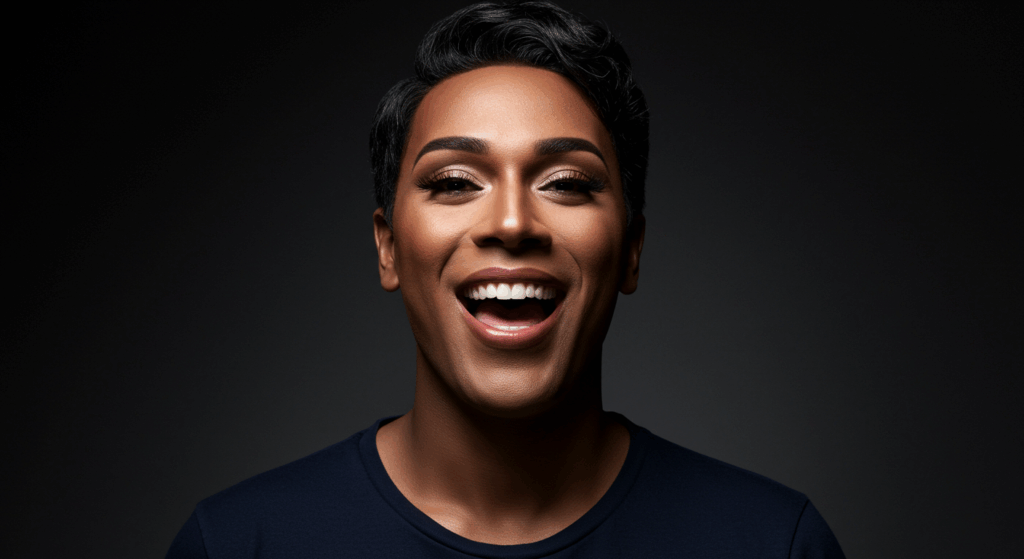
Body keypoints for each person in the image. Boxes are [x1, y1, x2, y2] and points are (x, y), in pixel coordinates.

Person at [167, 2, 845, 557]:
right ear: (388, 247)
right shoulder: (238, 544)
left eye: (568, 183)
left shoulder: (769, 544)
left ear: (632, 249)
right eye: (455, 181)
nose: (513, 222)